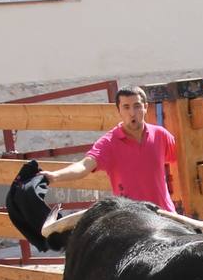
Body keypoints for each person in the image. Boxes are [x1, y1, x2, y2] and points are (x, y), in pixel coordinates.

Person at [40, 86, 177, 211]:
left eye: (137, 106)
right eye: (126, 107)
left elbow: (184, 159)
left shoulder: (161, 135)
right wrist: (54, 176)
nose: (132, 113)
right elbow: (84, 165)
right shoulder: (109, 143)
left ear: (145, 107)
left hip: (166, 215)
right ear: (119, 111)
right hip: (133, 221)